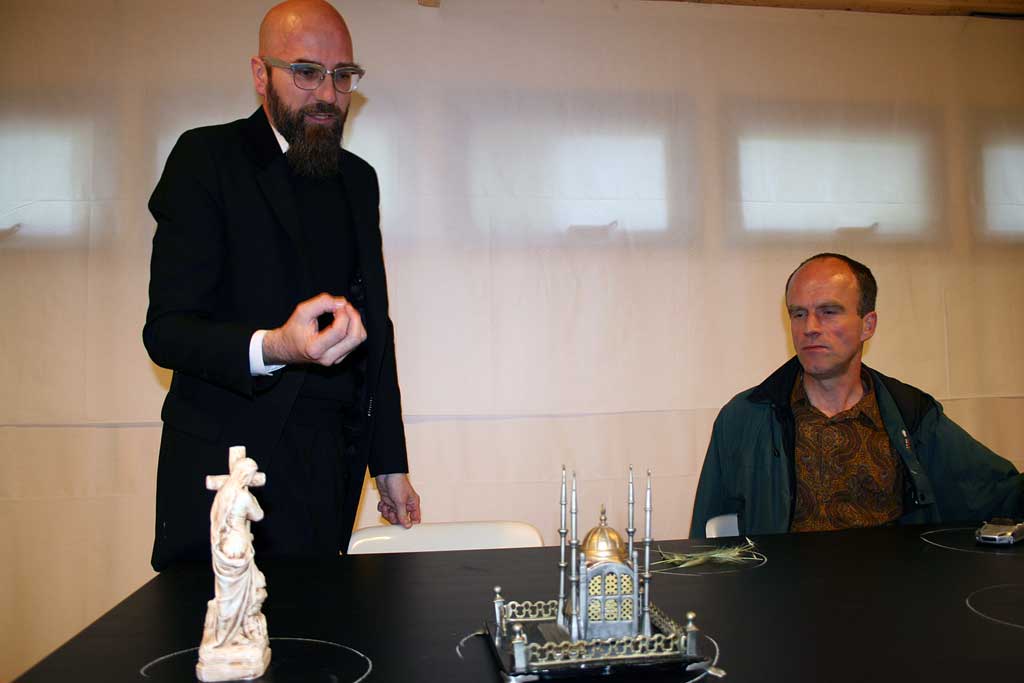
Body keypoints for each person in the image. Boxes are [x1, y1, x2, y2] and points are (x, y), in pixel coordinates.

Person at [144, 0, 420, 571]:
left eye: (342, 76)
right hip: (227, 471)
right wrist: (274, 346)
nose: (328, 94)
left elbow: (377, 325)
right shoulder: (205, 158)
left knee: (325, 624)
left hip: (330, 467)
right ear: (259, 73)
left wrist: (389, 464)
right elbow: (167, 332)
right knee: (221, 628)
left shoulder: (359, 179)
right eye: (306, 72)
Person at [690, 253, 1022, 538]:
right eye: (798, 313)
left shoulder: (912, 414)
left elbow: (996, 493)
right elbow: (706, 543)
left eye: (828, 311)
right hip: (783, 591)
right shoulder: (745, 419)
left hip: (892, 589)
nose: (810, 327)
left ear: (868, 325)